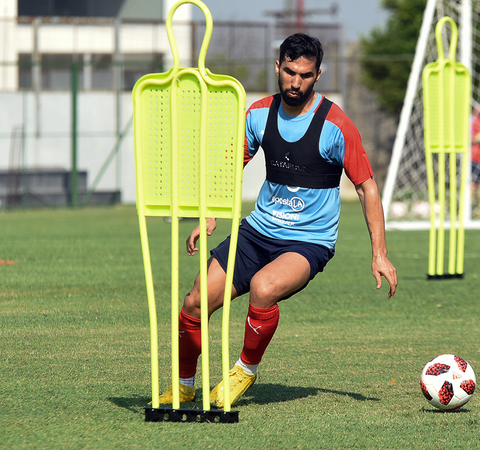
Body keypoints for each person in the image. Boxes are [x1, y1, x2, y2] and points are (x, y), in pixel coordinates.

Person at [157, 33, 398, 408]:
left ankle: (245, 370)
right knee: (193, 302)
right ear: (278, 67)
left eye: (305, 74)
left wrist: (379, 254)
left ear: (317, 75)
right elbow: (229, 165)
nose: (295, 82)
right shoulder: (258, 114)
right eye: (289, 72)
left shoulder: (336, 125)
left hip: (308, 241)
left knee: (263, 287)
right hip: (257, 232)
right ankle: (185, 384)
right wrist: (208, 215)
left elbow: (368, 188)